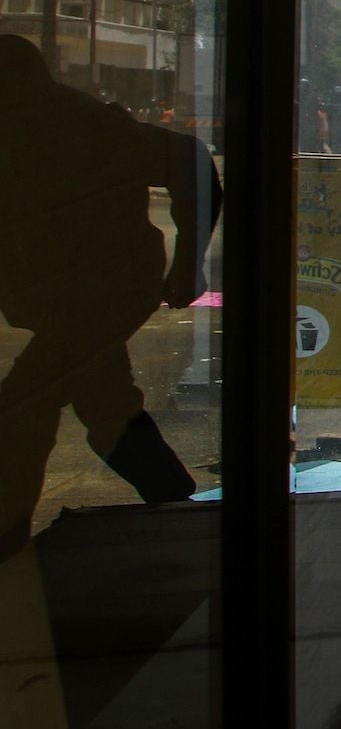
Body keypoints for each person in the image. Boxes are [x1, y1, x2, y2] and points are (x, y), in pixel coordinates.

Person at [1, 37, 221, 560]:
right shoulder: (34, 125)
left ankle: (5, 539)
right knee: (106, 403)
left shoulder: (72, 124)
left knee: (21, 411)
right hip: (77, 296)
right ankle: (174, 500)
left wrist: (189, 264)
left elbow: (188, 158)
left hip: (101, 294)